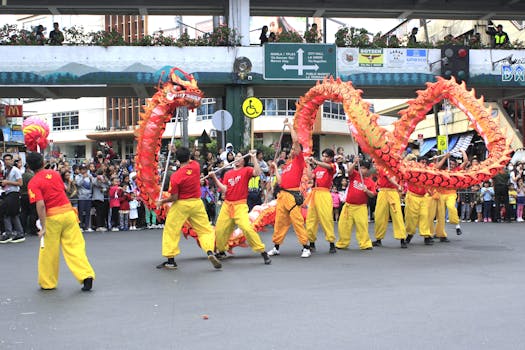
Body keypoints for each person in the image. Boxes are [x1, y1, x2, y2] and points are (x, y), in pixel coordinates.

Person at [26, 152, 95, 291]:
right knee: (75, 247)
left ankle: (48, 283)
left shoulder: (33, 182)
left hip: (52, 217)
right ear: (43, 162)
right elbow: (63, 190)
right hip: (68, 213)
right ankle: (86, 275)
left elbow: (40, 205)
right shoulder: (55, 174)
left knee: (49, 251)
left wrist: (43, 226)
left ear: (29, 166)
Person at [156, 147, 222, 270]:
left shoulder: (176, 177)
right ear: (189, 157)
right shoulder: (196, 166)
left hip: (181, 205)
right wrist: (176, 151)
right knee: (205, 230)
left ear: (177, 160)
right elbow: (189, 159)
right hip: (197, 203)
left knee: (171, 230)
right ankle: (209, 250)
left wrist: (162, 201)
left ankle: (171, 260)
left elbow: (174, 197)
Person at [210, 150, 271, 265]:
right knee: (219, 229)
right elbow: (225, 190)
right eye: (236, 156)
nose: (238, 158)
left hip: (240, 205)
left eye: (240, 157)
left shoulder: (246, 170)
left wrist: (253, 158)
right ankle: (221, 250)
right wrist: (214, 178)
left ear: (244, 160)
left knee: (246, 228)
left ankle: (262, 251)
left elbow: (257, 173)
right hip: (227, 205)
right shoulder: (228, 173)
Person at [267, 118, 311, 258]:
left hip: (292, 195)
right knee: (280, 223)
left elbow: (296, 141)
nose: (292, 150)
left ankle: (306, 247)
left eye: (293, 149)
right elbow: (280, 182)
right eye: (291, 149)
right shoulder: (286, 165)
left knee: (297, 221)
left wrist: (289, 125)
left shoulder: (299, 160)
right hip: (283, 195)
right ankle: (276, 246)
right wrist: (275, 169)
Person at [335, 157, 376, 250]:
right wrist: (354, 162)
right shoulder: (355, 175)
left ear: (368, 170)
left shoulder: (370, 182)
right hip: (348, 205)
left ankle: (365, 244)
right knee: (343, 225)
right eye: (360, 167)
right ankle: (342, 243)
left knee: (362, 226)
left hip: (361, 207)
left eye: (364, 168)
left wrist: (367, 191)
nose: (361, 170)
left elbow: (372, 195)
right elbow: (349, 172)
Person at [306, 148, 337, 254]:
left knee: (326, 218)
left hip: (324, 194)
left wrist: (315, 161)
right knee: (311, 219)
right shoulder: (318, 168)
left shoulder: (332, 166)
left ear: (331, 158)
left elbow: (328, 167)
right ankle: (311, 243)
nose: (324, 158)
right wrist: (308, 164)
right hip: (315, 193)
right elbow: (310, 176)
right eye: (323, 155)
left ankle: (331, 243)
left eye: (327, 156)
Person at [373, 168, 407, 248]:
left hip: (393, 192)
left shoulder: (396, 168)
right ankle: (378, 239)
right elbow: (388, 176)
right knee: (379, 215)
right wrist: (398, 185)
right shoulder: (383, 167)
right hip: (383, 192)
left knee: (397, 215)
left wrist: (399, 185)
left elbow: (393, 177)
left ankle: (402, 238)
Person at [0, 154, 25, 244]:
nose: (7, 161)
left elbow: (20, 183)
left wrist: (8, 182)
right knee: (9, 213)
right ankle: (11, 232)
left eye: (9, 159)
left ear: (11, 160)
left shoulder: (15, 170)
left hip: (14, 193)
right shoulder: (6, 170)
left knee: (11, 213)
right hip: (7, 193)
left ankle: (16, 233)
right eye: (5, 160)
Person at [75, 164, 94, 232]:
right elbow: (78, 184)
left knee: (88, 212)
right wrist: (83, 177)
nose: (84, 170)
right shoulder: (77, 176)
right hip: (81, 197)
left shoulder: (89, 175)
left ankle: (87, 226)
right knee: (81, 212)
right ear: (80, 170)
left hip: (88, 196)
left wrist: (91, 179)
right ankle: (80, 226)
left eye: (85, 169)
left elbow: (93, 184)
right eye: (83, 169)